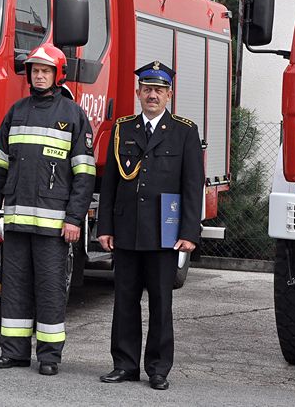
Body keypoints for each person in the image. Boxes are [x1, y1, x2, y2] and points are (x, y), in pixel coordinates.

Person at [0, 43, 96, 376]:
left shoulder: (73, 115)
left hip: (53, 226)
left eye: (46, 70)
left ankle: (49, 357)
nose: (40, 75)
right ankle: (15, 352)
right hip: (16, 222)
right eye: (35, 70)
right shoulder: (16, 112)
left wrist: (75, 218)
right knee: (14, 287)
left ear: (57, 74)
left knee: (49, 289)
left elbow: (84, 174)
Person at [96, 60, 203, 391]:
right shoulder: (123, 128)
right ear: (138, 92)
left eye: (159, 90)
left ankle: (158, 368)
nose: (152, 95)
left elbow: (192, 185)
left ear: (169, 94)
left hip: (164, 234)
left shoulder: (185, 131)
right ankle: (125, 365)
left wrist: (188, 233)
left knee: (161, 303)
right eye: (147, 89)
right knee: (124, 301)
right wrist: (105, 226)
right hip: (127, 231)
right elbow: (110, 182)